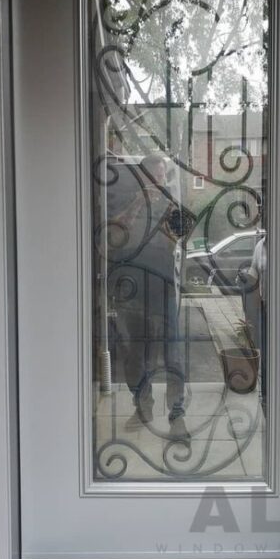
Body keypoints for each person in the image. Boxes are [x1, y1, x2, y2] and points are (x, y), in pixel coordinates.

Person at [109, 154, 189, 442]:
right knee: (134, 354)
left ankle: (176, 414)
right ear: (143, 178)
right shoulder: (127, 204)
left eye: (162, 176)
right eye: (152, 176)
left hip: (163, 286)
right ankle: (143, 406)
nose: (159, 181)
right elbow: (114, 236)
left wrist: (165, 204)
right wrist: (140, 202)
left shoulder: (173, 206)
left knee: (173, 353)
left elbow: (177, 242)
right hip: (132, 288)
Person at [237, 232, 267, 403]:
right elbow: (254, 276)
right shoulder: (260, 246)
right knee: (265, 351)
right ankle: (266, 395)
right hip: (265, 307)